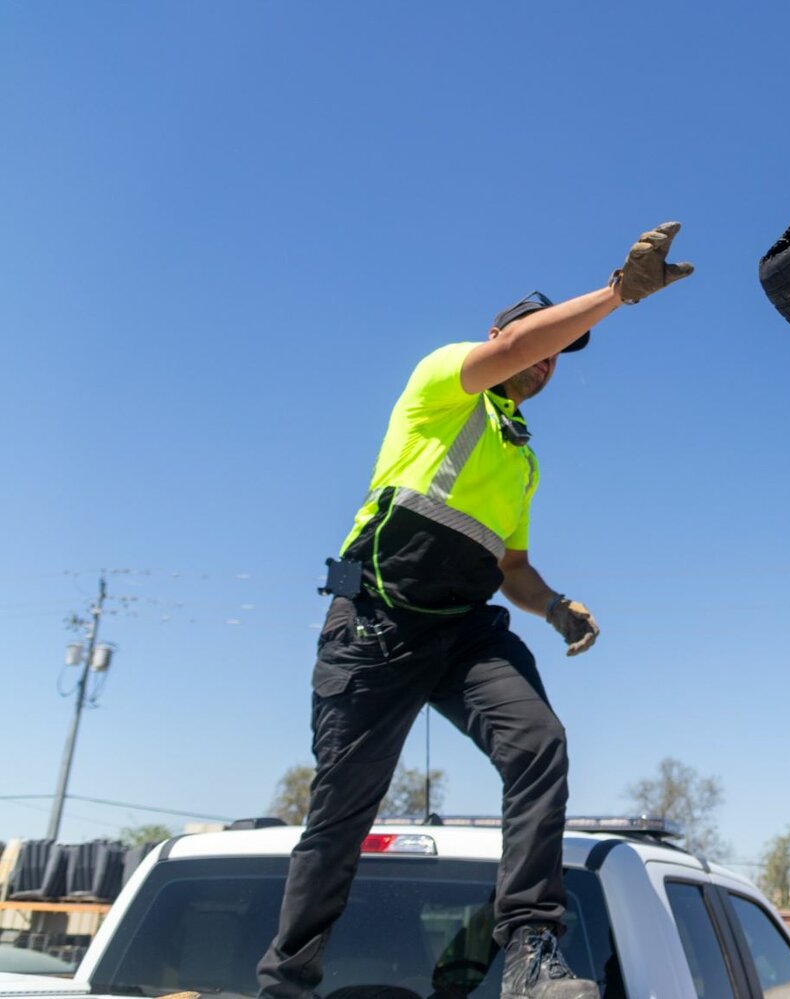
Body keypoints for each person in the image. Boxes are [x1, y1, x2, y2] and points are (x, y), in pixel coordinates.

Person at [256, 223, 694, 999]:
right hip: (376, 625)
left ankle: (529, 952)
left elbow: (512, 568)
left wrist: (556, 609)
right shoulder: (440, 380)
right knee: (340, 812)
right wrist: (619, 294)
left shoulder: (520, 457)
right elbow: (508, 351)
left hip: (462, 632)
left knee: (538, 744)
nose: (547, 360)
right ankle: (287, 980)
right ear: (501, 337)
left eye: (557, 356)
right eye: (537, 343)